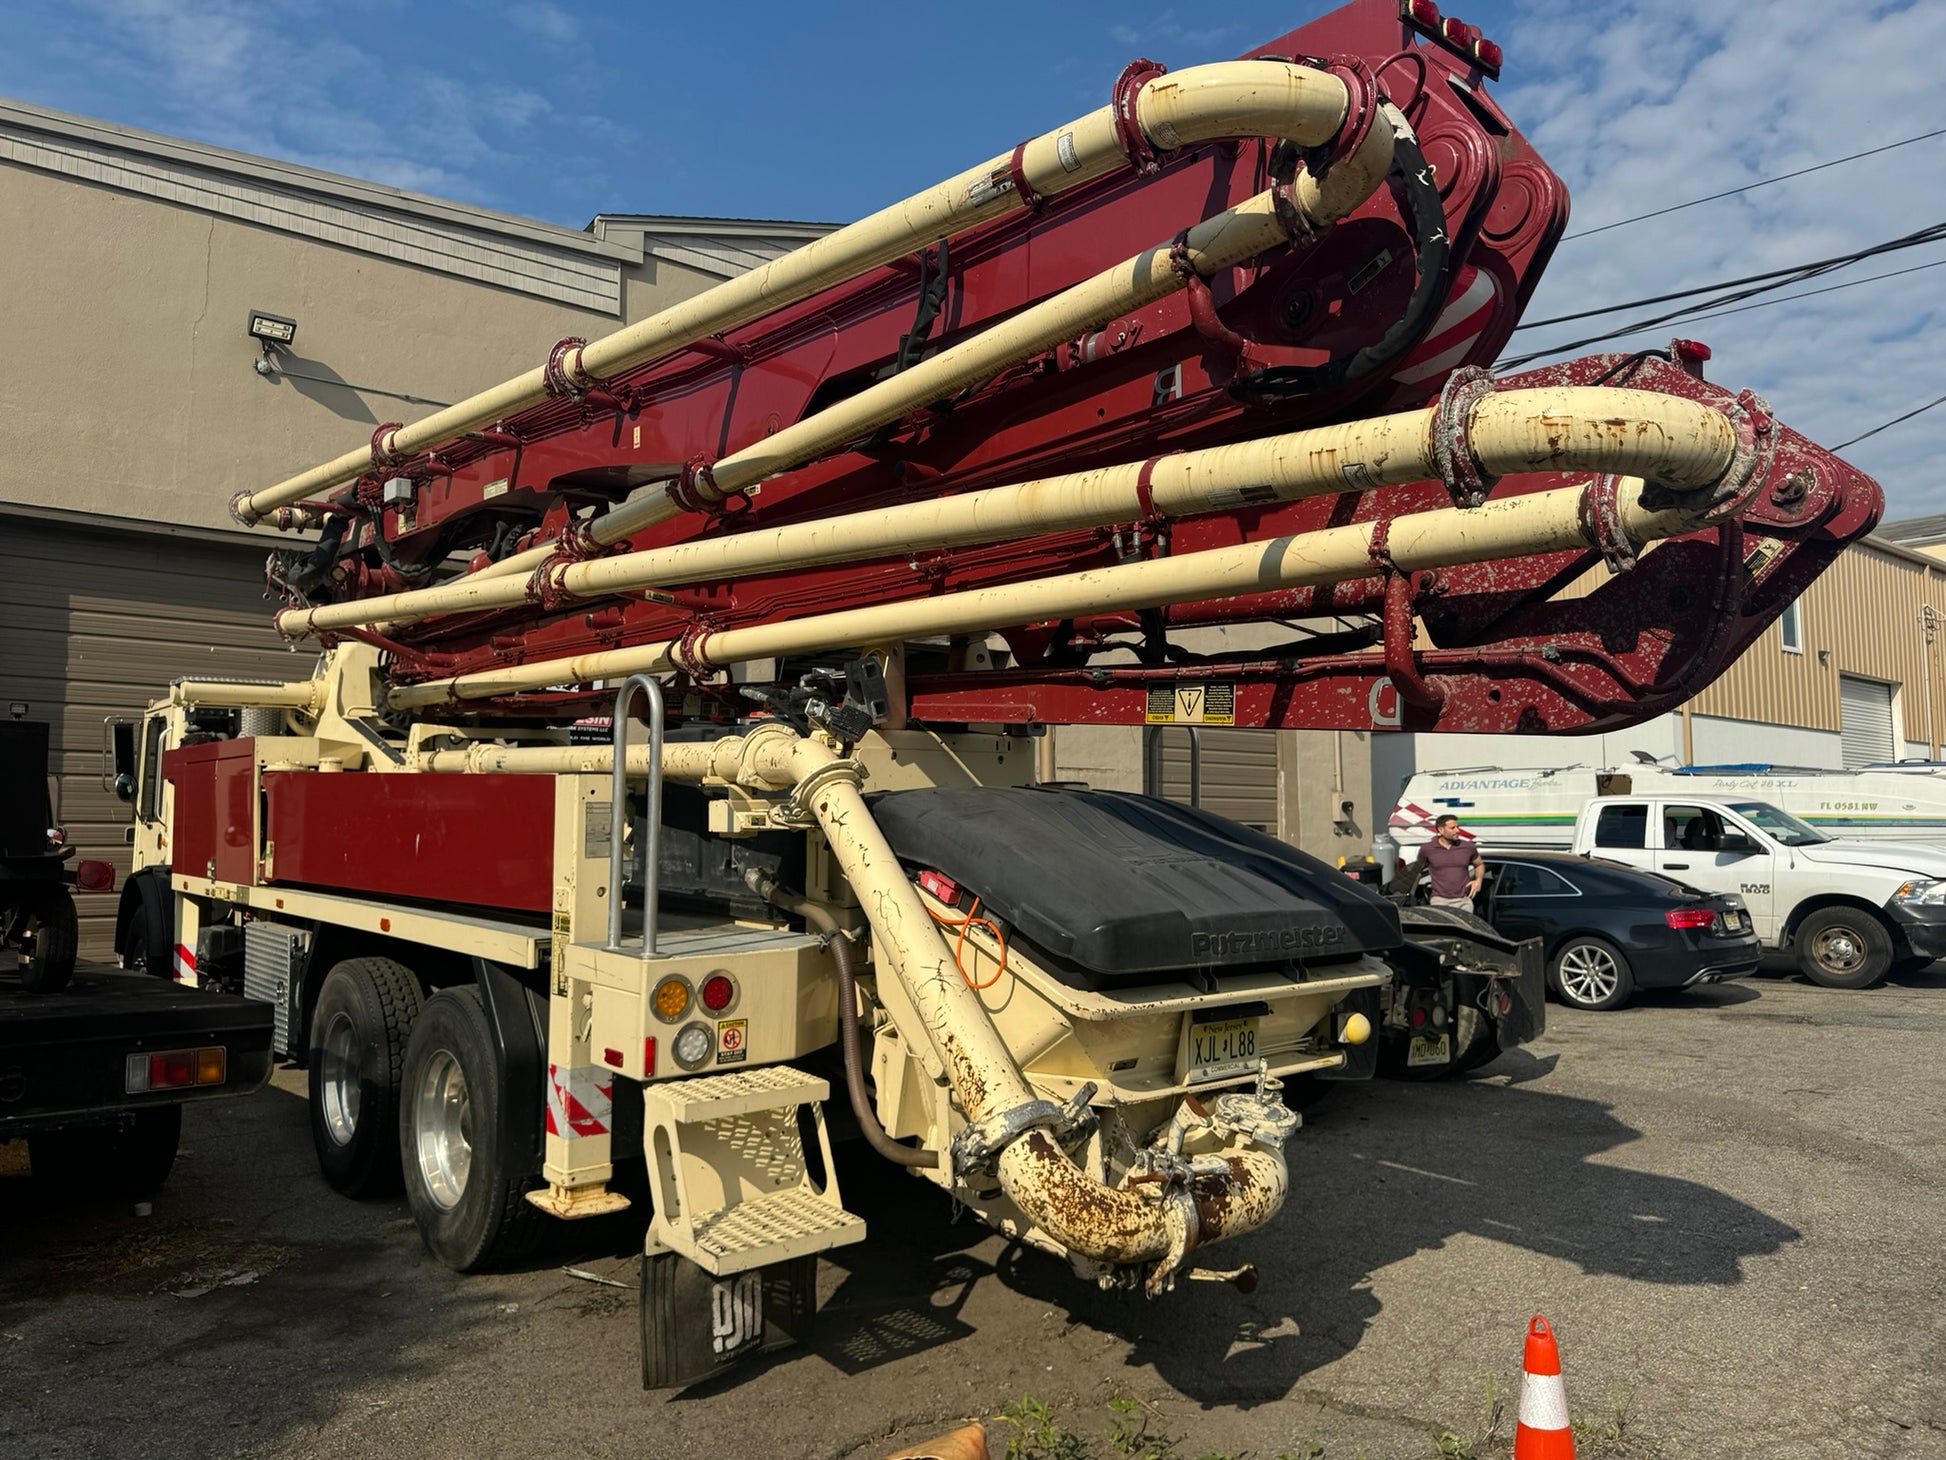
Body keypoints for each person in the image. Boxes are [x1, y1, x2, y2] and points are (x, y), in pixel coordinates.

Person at [1406, 814, 1484, 911]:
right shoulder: (1427, 849)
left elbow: (1479, 864)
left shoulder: (1468, 847)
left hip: (1463, 901)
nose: (1457, 830)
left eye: (1458, 827)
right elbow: (1417, 871)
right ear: (1441, 830)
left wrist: (1478, 881)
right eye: (1453, 828)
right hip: (1439, 901)